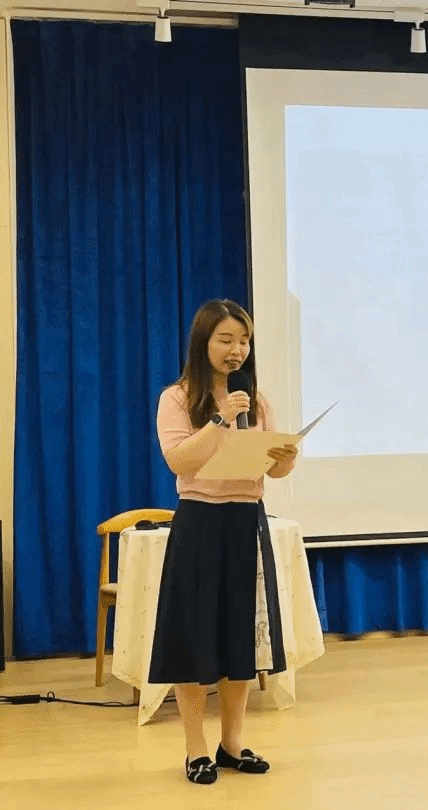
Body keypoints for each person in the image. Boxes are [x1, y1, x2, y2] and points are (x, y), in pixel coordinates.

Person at [147, 299, 299, 785]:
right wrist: (219, 420)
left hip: (244, 521)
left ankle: (232, 744)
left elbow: (273, 469)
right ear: (203, 342)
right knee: (193, 636)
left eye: (244, 341)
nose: (237, 350)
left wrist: (285, 457)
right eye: (226, 340)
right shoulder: (177, 398)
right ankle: (196, 749)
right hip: (199, 521)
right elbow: (179, 461)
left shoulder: (256, 398)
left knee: (239, 634)